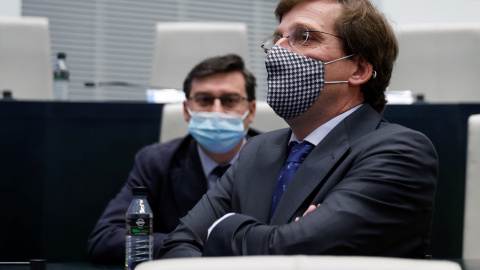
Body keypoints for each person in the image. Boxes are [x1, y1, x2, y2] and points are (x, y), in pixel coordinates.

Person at [157, 0, 438, 258]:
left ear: (359, 69)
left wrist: (222, 228)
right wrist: (279, 234)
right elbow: (176, 247)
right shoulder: (256, 150)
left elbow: (294, 251)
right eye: (277, 38)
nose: (278, 51)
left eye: (303, 36)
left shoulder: (400, 152)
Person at [87, 54, 259, 263]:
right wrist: (193, 244)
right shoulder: (155, 162)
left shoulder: (283, 159)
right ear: (186, 110)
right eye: (204, 100)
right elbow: (105, 239)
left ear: (251, 111)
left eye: (230, 100)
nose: (217, 111)